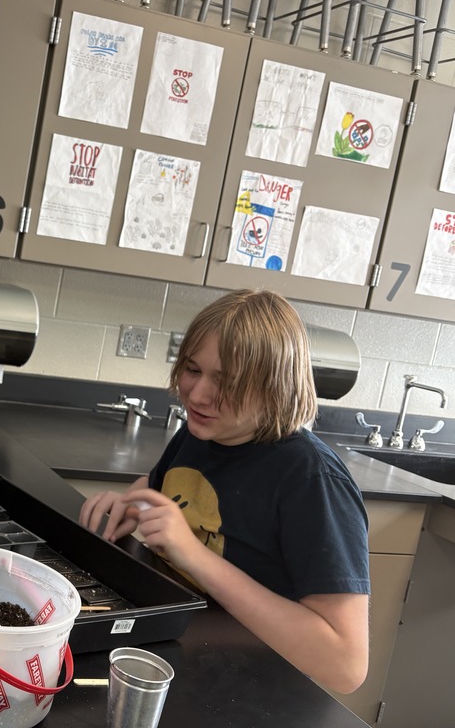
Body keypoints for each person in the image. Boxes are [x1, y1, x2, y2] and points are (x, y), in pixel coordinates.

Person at [79, 289, 370, 694]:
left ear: (276, 386)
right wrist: (132, 502)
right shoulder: (202, 432)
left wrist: (195, 556)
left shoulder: (311, 479)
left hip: (251, 690)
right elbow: (166, 484)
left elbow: (345, 664)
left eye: (227, 382)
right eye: (192, 369)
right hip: (186, 659)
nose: (197, 395)